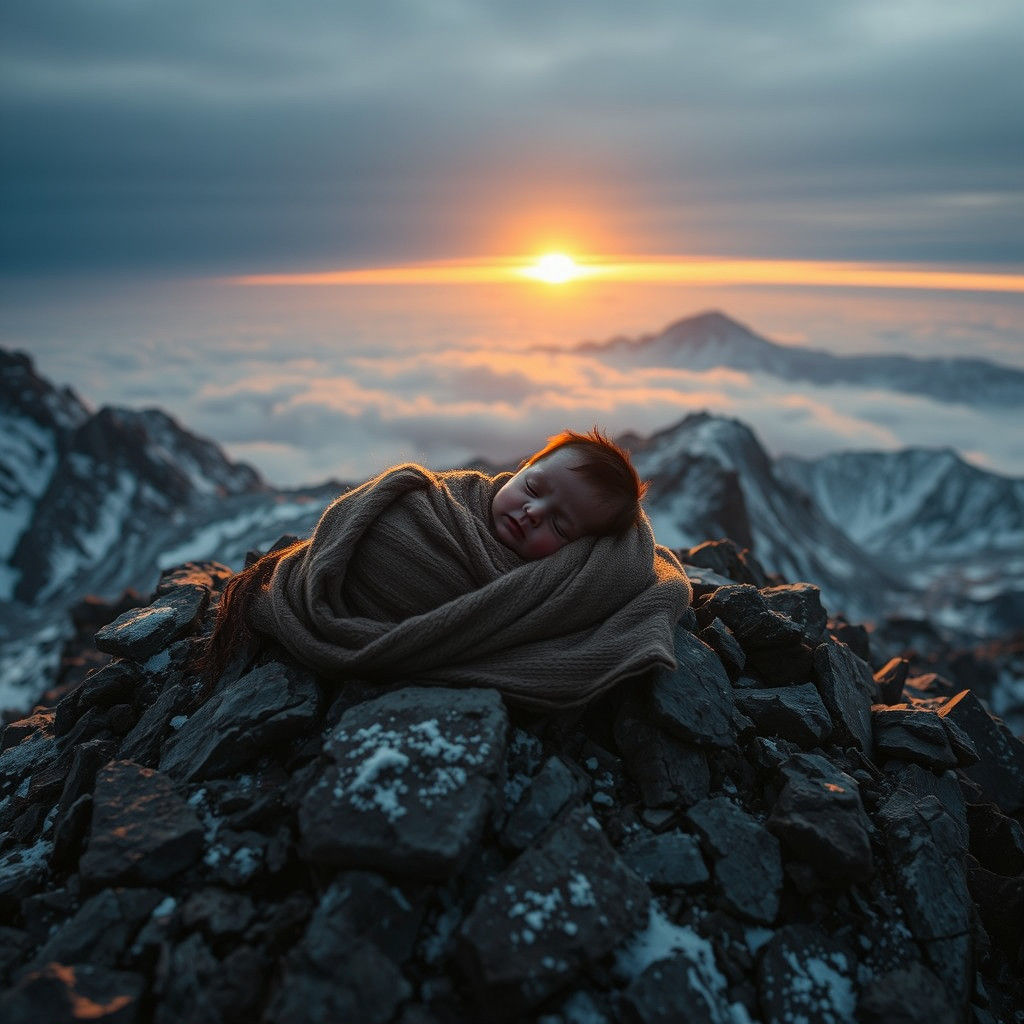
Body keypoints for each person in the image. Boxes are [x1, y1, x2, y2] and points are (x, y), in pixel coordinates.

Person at [200, 428, 691, 711]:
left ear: (577, 552)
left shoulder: (564, 588)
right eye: (534, 489)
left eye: (560, 526)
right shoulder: (441, 500)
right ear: (518, 471)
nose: (532, 514)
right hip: (356, 574)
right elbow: (363, 519)